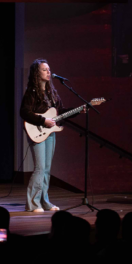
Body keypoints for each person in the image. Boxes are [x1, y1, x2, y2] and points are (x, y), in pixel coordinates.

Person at [20, 59, 79, 213]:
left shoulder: (52, 92)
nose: (48, 72)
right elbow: (24, 112)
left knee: (46, 169)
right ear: (36, 73)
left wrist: (79, 110)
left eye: (49, 69)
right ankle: (32, 204)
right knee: (39, 168)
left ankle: (44, 201)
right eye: (44, 69)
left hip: (50, 133)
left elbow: (61, 112)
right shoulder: (31, 92)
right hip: (37, 131)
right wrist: (43, 120)